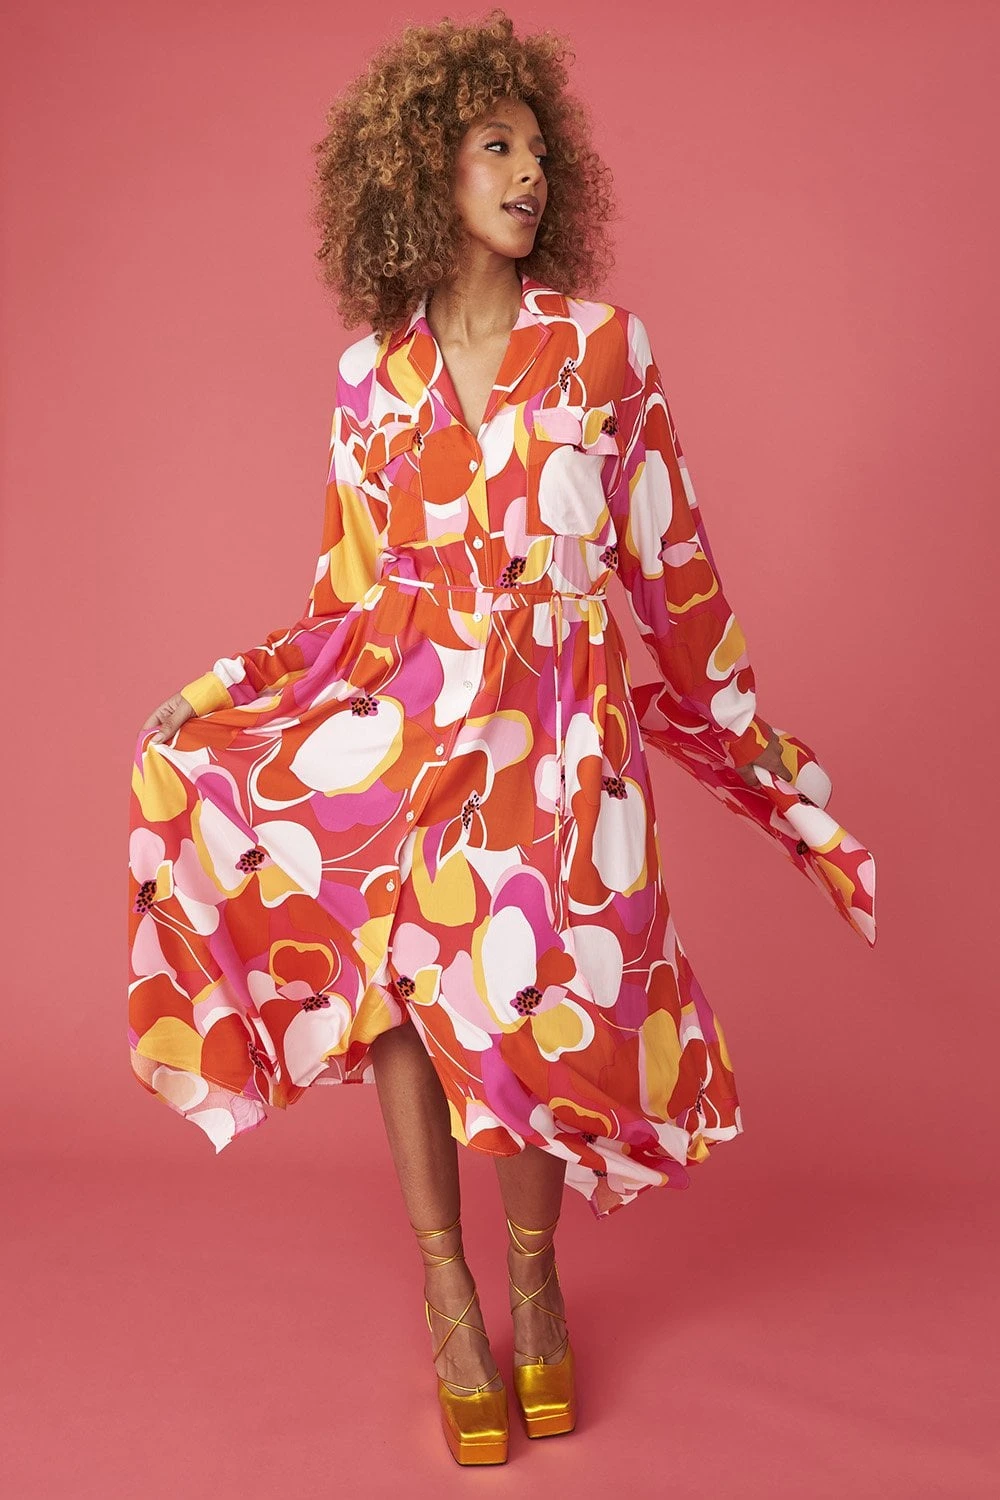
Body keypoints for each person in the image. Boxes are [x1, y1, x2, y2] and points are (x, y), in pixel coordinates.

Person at [129, 9, 876, 1468]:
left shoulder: (602, 349)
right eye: (495, 145)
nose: (530, 171)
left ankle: (535, 1276)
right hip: (407, 717)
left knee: (535, 988)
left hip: (560, 731)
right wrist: (222, 689)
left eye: (539, 148)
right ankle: (449, 1290)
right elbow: (346, 596)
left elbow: (671, 566)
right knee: (401, 986)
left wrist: (759, 758)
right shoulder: (368, 379)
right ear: (425, 167)